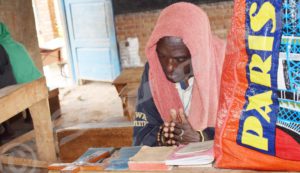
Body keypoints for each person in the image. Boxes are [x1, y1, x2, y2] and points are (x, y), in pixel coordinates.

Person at [133, 2, 226, 146]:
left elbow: (245, 131)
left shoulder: (227, 65)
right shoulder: (153, 70)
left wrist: (202, 137)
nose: (169, 67)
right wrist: (165, 136)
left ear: (198, 53)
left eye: (180, 59)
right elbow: (141, 134)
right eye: (163, 56)